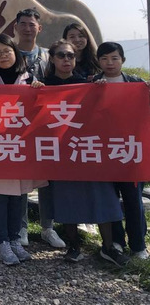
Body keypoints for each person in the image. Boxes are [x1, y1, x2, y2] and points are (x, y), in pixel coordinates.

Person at [44, 39, 129, 265]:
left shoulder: (87, 84)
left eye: (70, 55)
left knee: (102, 195)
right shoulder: (43, 85)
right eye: (61, 55)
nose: (66, 60)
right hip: (59, 152)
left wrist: (101, 91)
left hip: (88, 149)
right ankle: (73, 246)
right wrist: (33, 91)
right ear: (52, 59)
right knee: (66, 198)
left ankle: (108, 247)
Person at [0, 34, 46, 266]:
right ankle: (2, 243)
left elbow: (43, 110)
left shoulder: (30, 80)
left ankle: (14, 239)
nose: (2, 56)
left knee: (18, 197)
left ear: (15, 53)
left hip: (20, 148)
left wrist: (40, 91)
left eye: (6, 51)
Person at [93, 41, 150, 260]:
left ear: (123, 60)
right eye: (104, 59)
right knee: (110, 199)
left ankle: (138, 245)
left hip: (131, 151)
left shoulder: (136, 83)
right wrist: (94, 92)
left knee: (133, 199)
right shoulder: (92, 85)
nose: (110, 63)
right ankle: (116, 242)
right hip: (104, 152)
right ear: (98, 61)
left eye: (114, 58)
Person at [12, 7, 63, 249]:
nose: (27, 28)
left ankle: (47, 227)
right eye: (23, 24)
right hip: (17, 124)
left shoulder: (47, 56)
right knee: (21, 177)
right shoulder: (9, 53)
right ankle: (21, 227)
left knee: (47, 176)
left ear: (39, 28)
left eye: (31, 24)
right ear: (15, 27)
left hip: (46, 123)